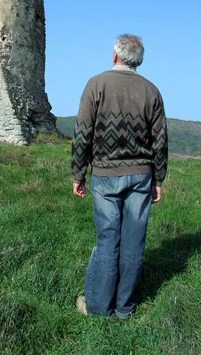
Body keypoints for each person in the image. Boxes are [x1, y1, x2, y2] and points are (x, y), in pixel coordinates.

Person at [71, 34, 168, 320]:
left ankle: (99, 308)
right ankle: (124, 308)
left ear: (115, 56)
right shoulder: (151, 91)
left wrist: (78, 173)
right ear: (138, 61)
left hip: (105, 175)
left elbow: (82, 133)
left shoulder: (96, 84)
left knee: (107, 240)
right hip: (142, 176)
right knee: (133, 242)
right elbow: (160, 140)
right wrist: (159, 179)